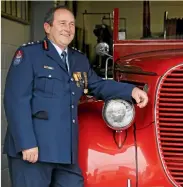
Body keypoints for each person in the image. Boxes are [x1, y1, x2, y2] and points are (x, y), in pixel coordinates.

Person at [3, 5, 148, 187]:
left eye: (71, 24)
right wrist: (26, 143)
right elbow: (16, 101)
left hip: (65, 151)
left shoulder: (78, 59)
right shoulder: (29, 55)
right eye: (62, 23)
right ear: (47, 28)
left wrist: (131, 91)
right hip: (35, 150)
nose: (68, 28)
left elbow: (97, 85)